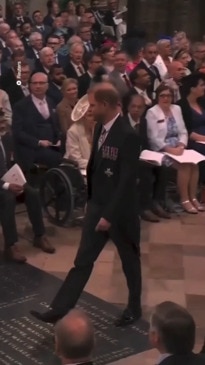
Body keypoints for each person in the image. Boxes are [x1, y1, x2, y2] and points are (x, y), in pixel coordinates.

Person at [30, 82, 142, 327]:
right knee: (82, 261)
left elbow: (126, 182)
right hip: (97, 207)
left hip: (120, 213)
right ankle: (58, 310)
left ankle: (134, 308)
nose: (88, 109)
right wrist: (92, 203)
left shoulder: (128, 135)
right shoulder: (101, 126)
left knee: (130, 262)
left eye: (92, 105)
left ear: (105, 105)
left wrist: (109, 216)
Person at [0, 111, 55, 263]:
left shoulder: (6, 139)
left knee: (32, 193)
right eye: (0, 123)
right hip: (2, 186)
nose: (3, 125)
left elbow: (11, 163)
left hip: (7, 179)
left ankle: (39, 235)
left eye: (3, 121)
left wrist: (18, 179)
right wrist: (6, 185)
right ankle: (11, 246)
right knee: (8, 198)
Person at [146, 84, 201, 213]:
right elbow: (153, 138)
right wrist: (170, 150)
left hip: (178, 147)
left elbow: (183, 131)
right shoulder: (152, 112)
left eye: (169, 96)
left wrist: (182, 145)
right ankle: (184, 200)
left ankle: (193, 197)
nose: (166, 98)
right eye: (163, 96)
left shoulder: (176, 109)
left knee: (195, 163)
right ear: (157, 97)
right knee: (184, 166)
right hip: (162, 149)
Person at [124, 94, 170, 222]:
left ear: (144, 109)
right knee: (145, 172)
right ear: (127, 107)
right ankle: (143, 208)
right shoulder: (122, 122)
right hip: (127, 160)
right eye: (133, 106)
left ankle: (156, 202)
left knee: (162, 167)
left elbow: (145, 143)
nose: (136, 110)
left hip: (143, 156)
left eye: (139, 107)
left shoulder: (143, 122)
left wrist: (152, 155)